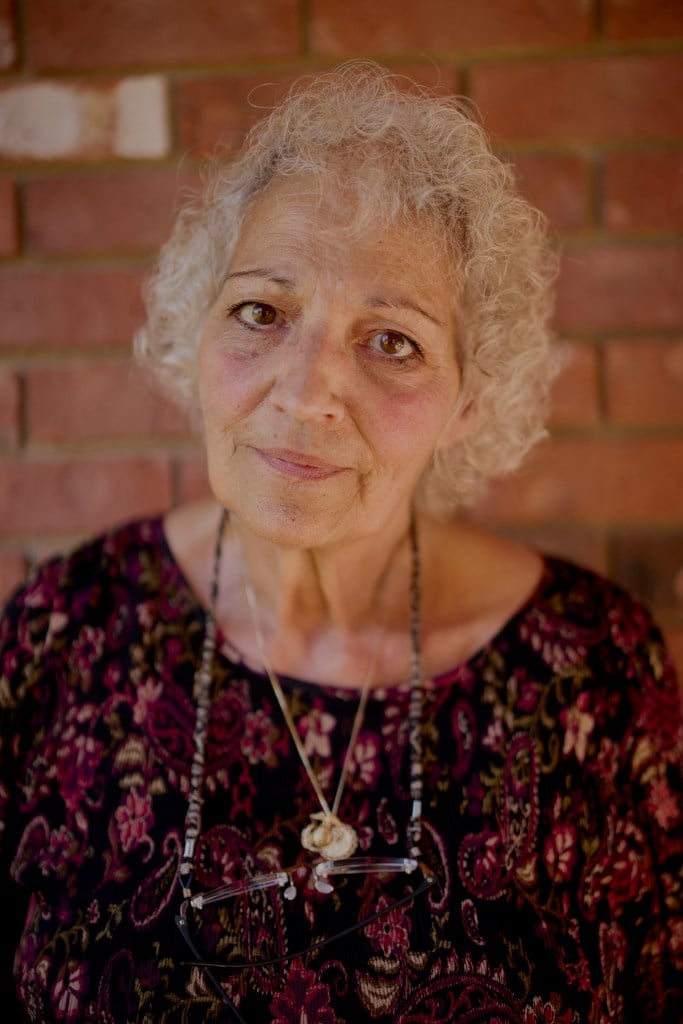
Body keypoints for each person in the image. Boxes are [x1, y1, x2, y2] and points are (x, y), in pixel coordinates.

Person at [1, 62, 681, 1024]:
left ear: (466, 403)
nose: (304, 390)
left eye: (392, 340)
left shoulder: (597, 673)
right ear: (194, 338)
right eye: (260, 312)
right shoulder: (55, 640)